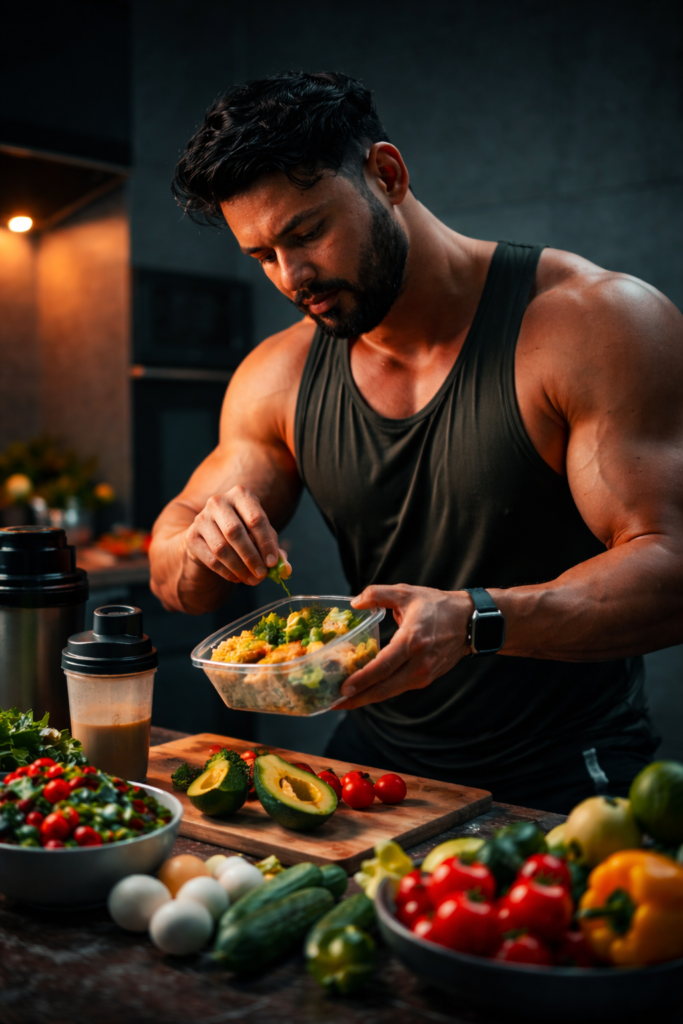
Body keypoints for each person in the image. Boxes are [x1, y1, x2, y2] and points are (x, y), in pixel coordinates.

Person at [150, 71, 683, 813]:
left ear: (387, 175)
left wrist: (474, 620)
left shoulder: (592, 323)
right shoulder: (278, 375)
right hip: (378, 763)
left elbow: (673, 563)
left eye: (305, 233)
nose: (291, 276)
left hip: (567, 764)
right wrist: (200, 541)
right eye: (261, 256)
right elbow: (175, 578)